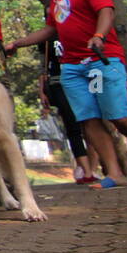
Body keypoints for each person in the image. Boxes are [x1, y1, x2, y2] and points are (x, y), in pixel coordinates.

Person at [5, 0, 127, 188]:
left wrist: (99, 35)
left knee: (116, 114)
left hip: (99, 60)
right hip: (73, 68)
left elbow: (106, 10)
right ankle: (114, 174)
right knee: (88, 118)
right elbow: (51, 30)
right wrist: (17, 44)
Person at [40, 38, 96, 182]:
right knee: (72, 125)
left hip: (84, 78)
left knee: (91, 123)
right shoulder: (46, 40)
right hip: (58, 82)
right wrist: (42, 91)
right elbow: (43, 66)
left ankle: (94, 167)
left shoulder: (75, 29)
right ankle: (85, 169)